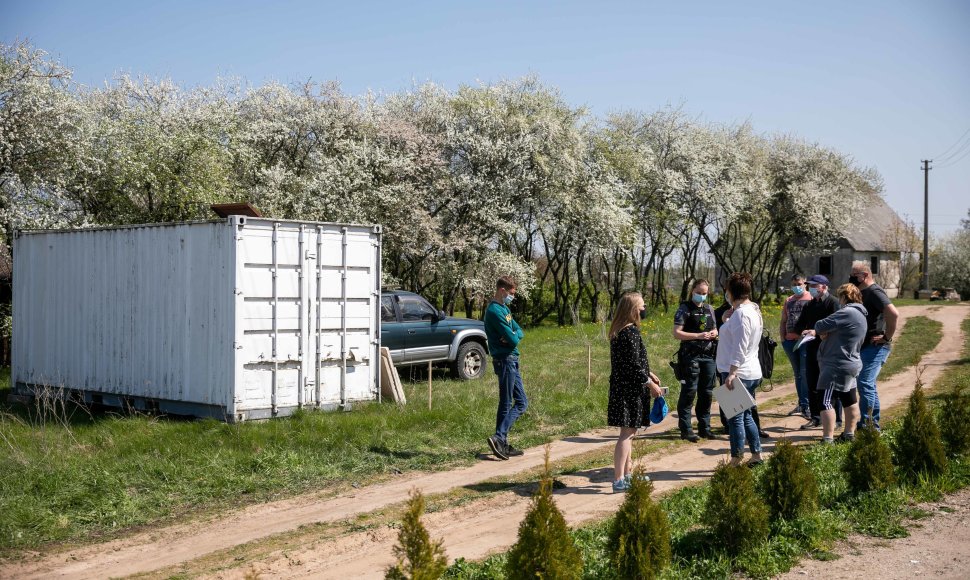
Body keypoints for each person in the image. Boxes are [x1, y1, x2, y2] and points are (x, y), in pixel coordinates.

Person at [608, 291, 663, 492]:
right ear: (633, 310)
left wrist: (650, 372)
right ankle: (618, 479)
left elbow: (632, 361)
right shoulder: (629, 333)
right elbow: (632, 366)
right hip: (628, 391)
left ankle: (628, 475)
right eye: (642, 306)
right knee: (626, 435)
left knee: (630, 433)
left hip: (624, 389)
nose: (644, 309)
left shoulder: (621, 331)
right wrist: (650, 384)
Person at [716, 272, 764, 467]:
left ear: (730, 292)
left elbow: (740, 346)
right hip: (749, 371)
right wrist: (728, 322)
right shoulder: (751, 310)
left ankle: (736, 458)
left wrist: (732, 372)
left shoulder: (743, 314)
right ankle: (756, 454)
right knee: (745, 415)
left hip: (739, 372)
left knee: (735, 418)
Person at [812, 284, 867, 443]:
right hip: (851, 362)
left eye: (840, 297)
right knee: (849, 399)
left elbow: (819, 325)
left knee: (825, 400)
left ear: (844, 297)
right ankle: (849, 434)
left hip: (837, 364)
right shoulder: (860, 314)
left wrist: (824, 332)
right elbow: (842, 333)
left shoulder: (847, 312)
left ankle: (827, 439)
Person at [850, 262, 899, 430]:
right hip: (865, 346)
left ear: (865, 275)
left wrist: (887, 337)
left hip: (875, 346)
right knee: (866, 384)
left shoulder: (875, 292)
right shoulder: (863, 292)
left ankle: (869, 425)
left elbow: (893, 313)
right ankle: (870, 423)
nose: (852, 278)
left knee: (865, 383)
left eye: (854, 275)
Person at [484, 276, 528, 460]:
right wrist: (512, 335)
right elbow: (512, 339)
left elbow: (519, 332)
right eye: (511, 293)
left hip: (512, 359)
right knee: (507, 402)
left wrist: (513, 334)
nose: (512, 297)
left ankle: (501, 440)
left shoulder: (505, 308)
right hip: (505, 360)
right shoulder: (494, 311)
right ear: (502, 290)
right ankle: (499, 438)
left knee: (520, 402)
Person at [672, 279, 718, 442]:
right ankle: (686, 429)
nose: (701, 296)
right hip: (690, 356)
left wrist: (714, 333)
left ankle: (705, 427)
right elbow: (677, 333)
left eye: (704, 293)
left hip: (709, 356)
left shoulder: (709, 309)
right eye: (699, 293)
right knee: (689, 391)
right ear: (692, 291)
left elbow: (715, 328)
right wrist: (697, 336)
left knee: (706, 393)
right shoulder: (684, 309)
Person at [794, 275, 841, 430]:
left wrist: (819, 331)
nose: (811, 288)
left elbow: (838, 325)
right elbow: (799, 326)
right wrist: (803, 332)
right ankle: (816, 417)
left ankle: (837, 419)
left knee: (831, 385)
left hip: (829, 350)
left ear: (824, 286)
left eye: (815, 285)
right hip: (812, 349)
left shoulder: (833, 303)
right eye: (810, 285)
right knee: (812, 383)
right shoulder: (809, 305)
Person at [780, 274, 812, 419]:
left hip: (805, 341)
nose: (796, 287)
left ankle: (807, 405)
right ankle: (801, 403)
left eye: (799, 283)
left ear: (805, 283)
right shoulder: (789, 300)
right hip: (789, 341)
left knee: (805, 373)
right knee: (797, 373)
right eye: (794, 284)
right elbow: (783, 320)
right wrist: (782, 338)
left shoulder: (811, 298)